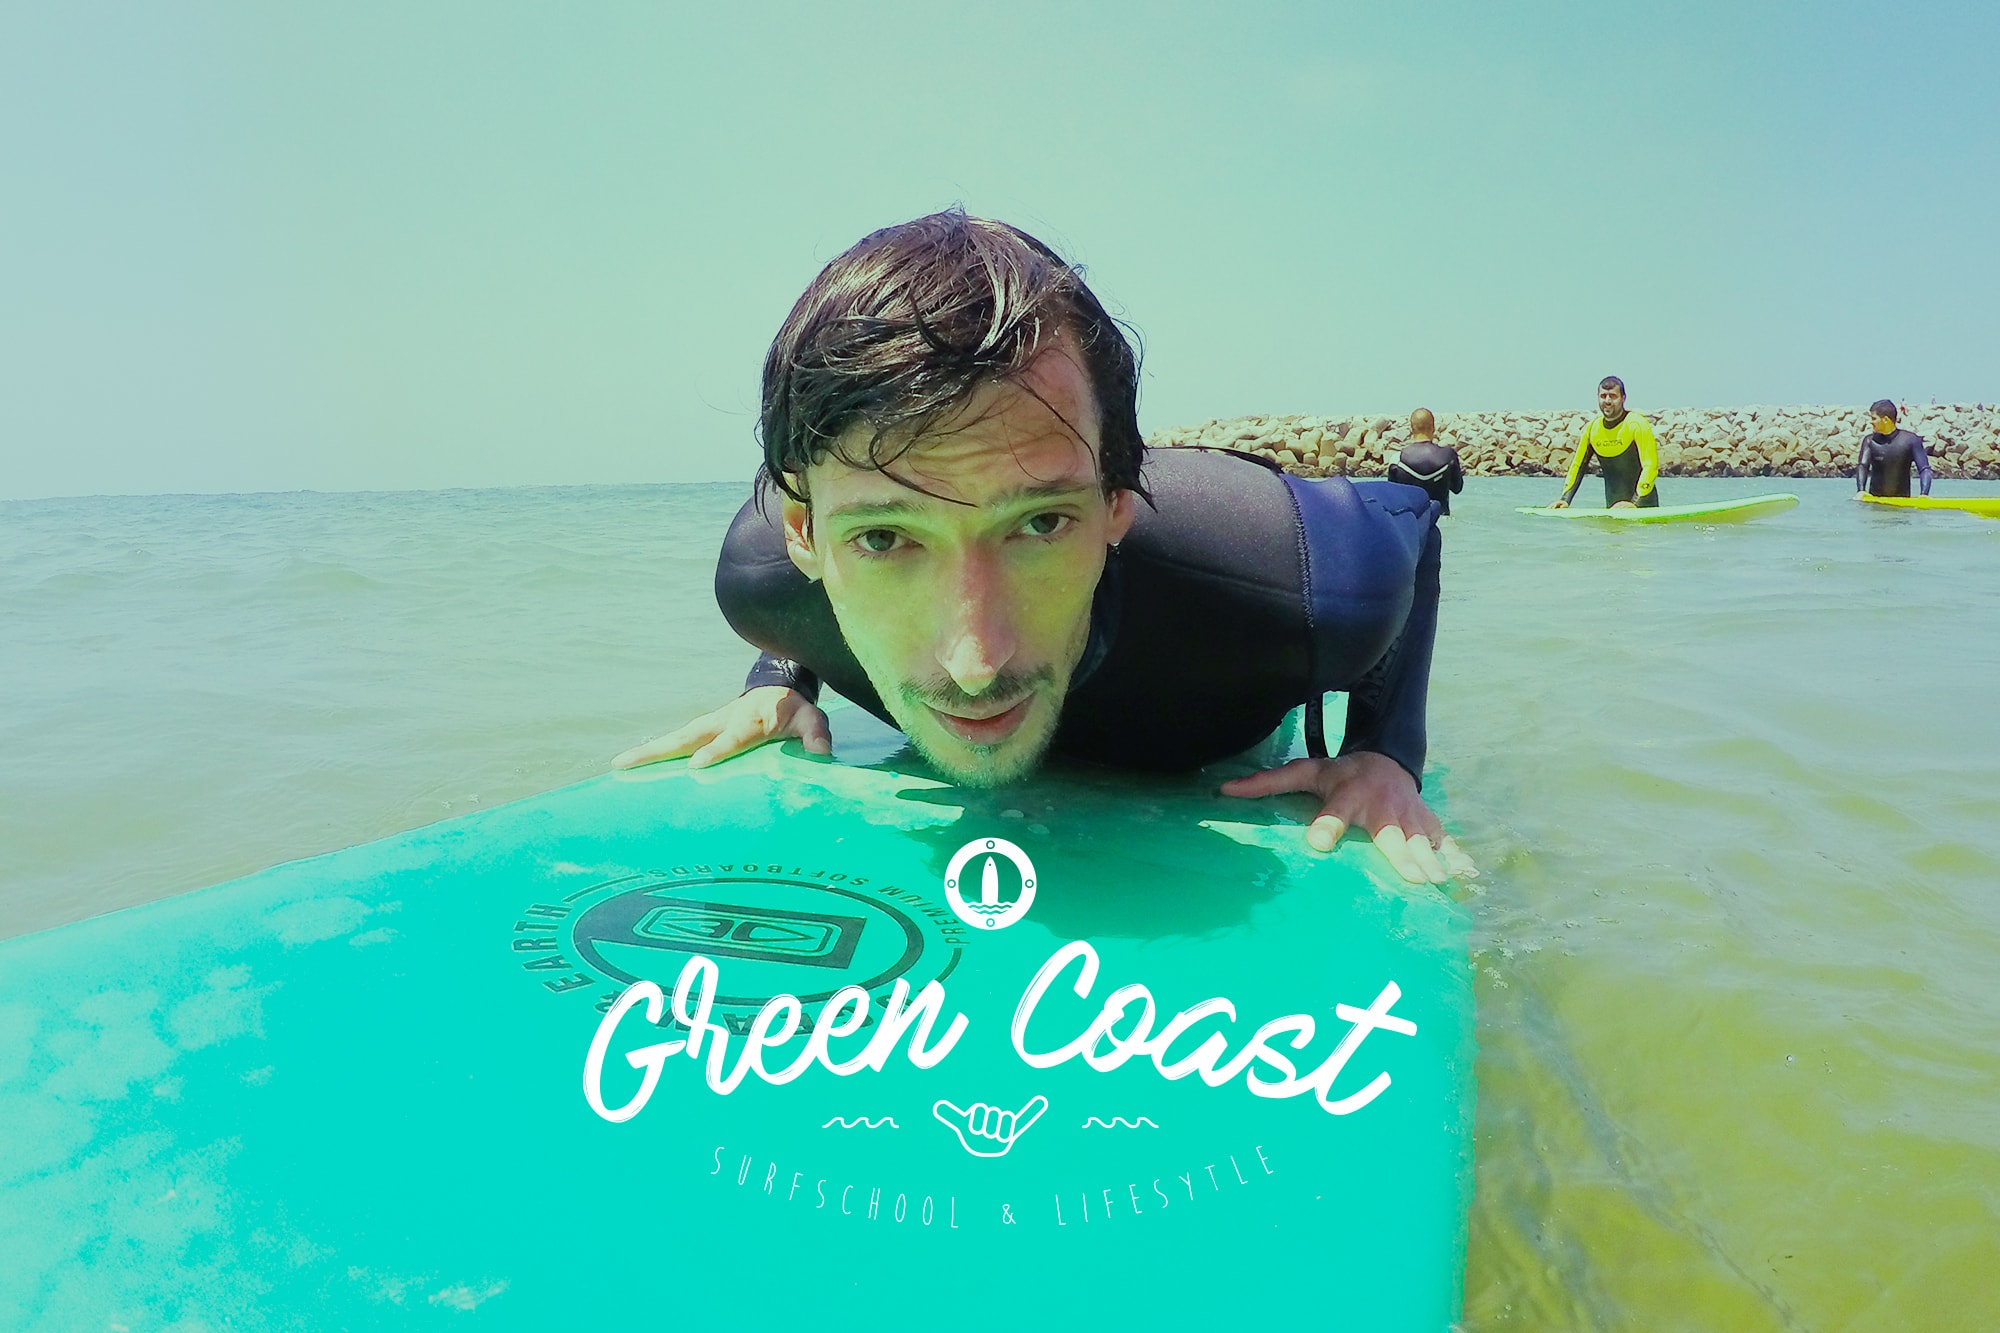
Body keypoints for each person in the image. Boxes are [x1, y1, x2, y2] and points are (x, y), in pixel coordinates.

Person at [612, 210, 1473, 884]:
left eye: (1040, 525)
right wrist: (779, 675)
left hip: (1222, 511)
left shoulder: (1315, 588)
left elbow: (1416, 517)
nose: (976, 664)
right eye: (883, 538)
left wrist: (1385, 749)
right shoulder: (761, 581)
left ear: (1116, 503)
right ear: (805, 537)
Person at [1549, 376, 1661, 509]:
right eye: (1603, 396)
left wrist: (1635, 503)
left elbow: (1650, 466)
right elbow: (1577, 466)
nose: (1607, 401)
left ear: (1623, 398)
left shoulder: (1637, 424)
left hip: (1644, 508)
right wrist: (1565, 499)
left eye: (1613, 396)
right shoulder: (1593, 429)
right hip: (1612, 510)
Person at [1386, 409, 1464, 514]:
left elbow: (1392, 497)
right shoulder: (1448, 455)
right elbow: (1457, 488)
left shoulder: (1397, 460)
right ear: (1433, 428)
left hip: (1412, 520)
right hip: (1440, 518)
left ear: (1411, 429)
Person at [1853, 399, 1932, 498]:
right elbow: (1863, 466)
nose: (1871, 422)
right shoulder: (1870, 441)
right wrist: (1861, 491)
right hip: (1875, 504)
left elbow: (1924, 469)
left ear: (1885, 420)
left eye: (1874, 418)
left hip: (1902, 504)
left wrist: (1924, 494)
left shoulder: (1911, 440)